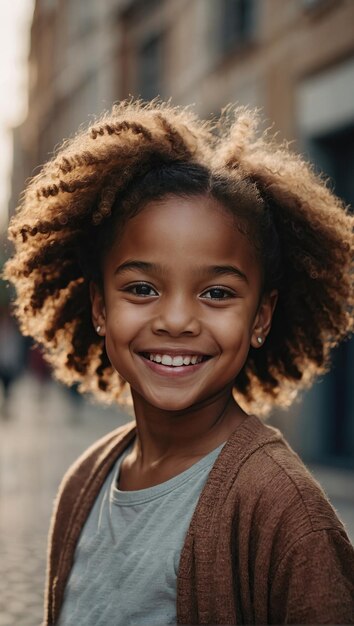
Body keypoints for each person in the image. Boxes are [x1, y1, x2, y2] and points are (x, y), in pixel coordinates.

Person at [4, 100, 354, 625]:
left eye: (216, 292)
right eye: (142, 288)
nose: (176, 319)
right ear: (100, 307)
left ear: (261, 317)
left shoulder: (284, 514)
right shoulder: (85, 483)